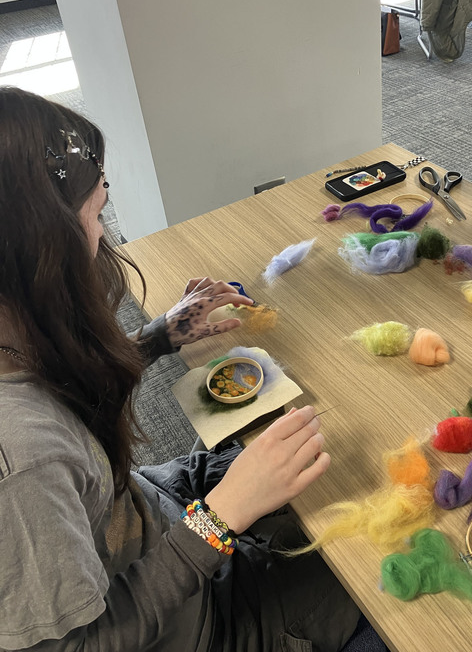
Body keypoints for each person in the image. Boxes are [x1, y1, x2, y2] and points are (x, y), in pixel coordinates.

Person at [0, 86, 360, 651]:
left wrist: (159, 336)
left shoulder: (14, 330)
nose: (103, 237)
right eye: (96, 214)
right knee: (377, 574)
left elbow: (60, 404)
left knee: (332, 464)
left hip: (150, 507)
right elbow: (85, 644)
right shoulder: (21, 465)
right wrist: (219, 521)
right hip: (195, 621)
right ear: (41, 245)